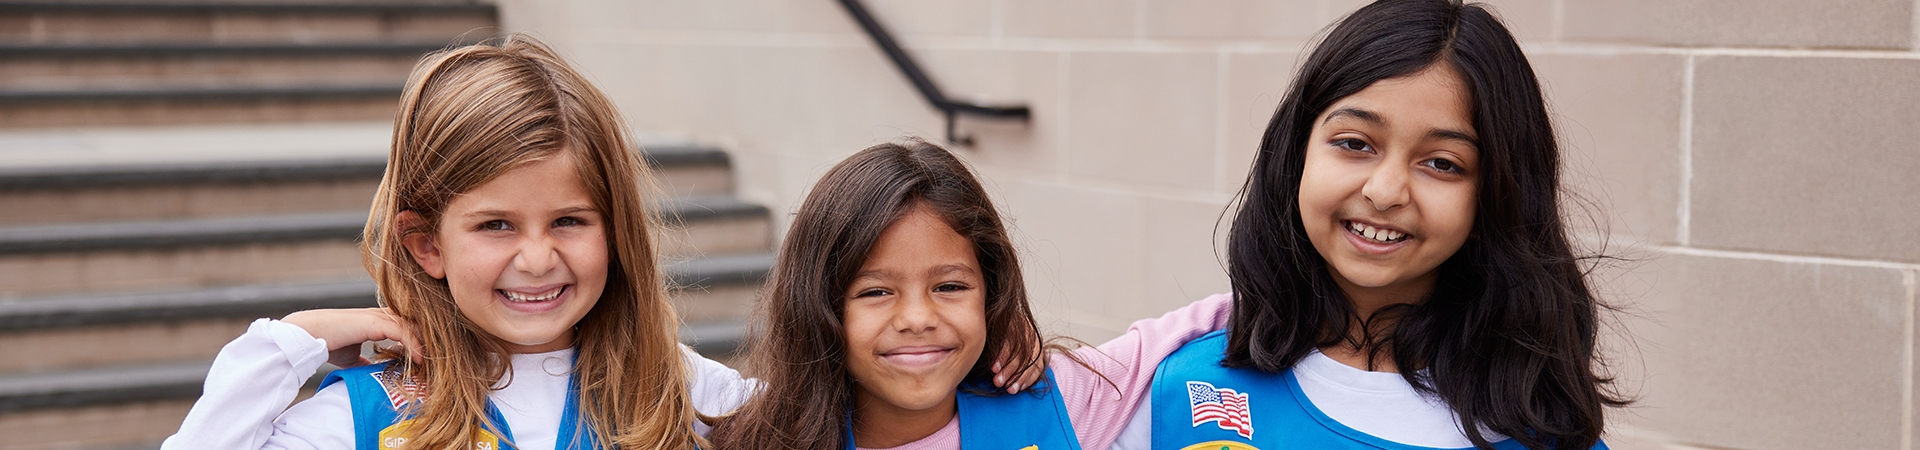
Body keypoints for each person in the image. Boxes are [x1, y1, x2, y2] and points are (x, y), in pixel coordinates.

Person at [159, 35, 761, 450]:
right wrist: (294, 340)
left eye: (570, 221)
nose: (536, 259)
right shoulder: (379, 412)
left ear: (616, 229)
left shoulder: (671, 385)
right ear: (427, 246)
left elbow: (830, 419)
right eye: (496, 225)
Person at [1111, 1, 1626, 449]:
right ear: (1295, 156)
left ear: (1496, 196)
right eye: (1355, 143)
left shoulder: (1540, 430)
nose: (1384, 191)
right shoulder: (1174, 389)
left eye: (1442, 163)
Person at [706, 139, 1232, 450]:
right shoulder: (762, 431)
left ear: (991, 293)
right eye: (876, 291)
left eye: (950, 286)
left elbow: (1220, 313)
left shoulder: (1062, 402)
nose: (917, 317)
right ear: (820, 307)